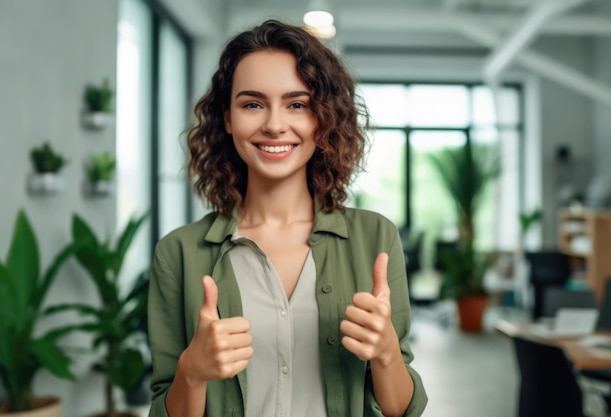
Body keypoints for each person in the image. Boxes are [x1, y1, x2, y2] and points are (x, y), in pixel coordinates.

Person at [147, 19, 428, 417]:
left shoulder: (375, 237)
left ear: (322, 119)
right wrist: (191, 374)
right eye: (252, 104)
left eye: (297, 104)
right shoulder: (178, 253)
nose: (275, 125)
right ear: (227, 118)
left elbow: (401, 410)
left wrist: (385, 356)